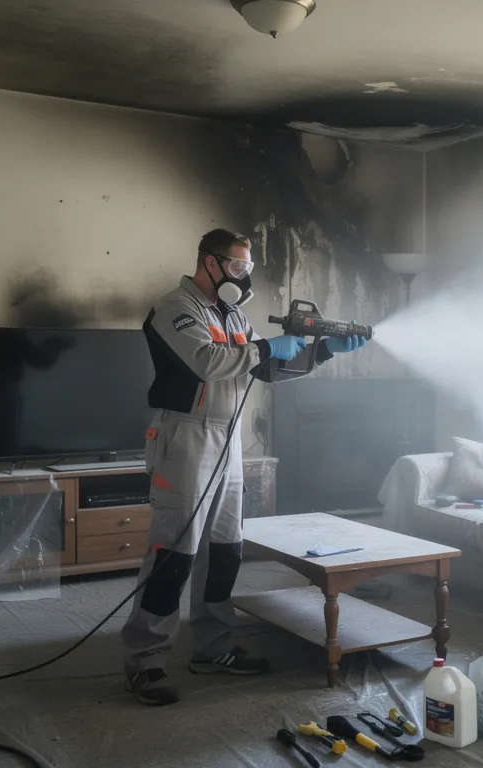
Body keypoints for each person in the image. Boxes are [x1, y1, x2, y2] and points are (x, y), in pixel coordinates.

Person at [122, 228, 366, 706]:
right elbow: (210, 362)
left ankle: (212, 649)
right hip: (185, 436)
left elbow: (266, 367)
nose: (243, 276)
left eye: (247, 268)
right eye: (237, 267)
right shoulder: (175, 308)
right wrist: (267, 347)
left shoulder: (233, 315)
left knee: (225, 548)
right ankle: (145, 661)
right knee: (174, 553)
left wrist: (321, 352)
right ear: (209, 263)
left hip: (228, 436)